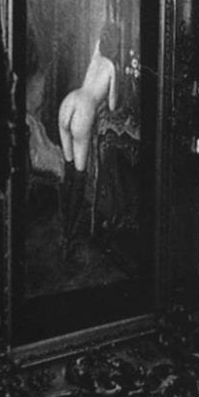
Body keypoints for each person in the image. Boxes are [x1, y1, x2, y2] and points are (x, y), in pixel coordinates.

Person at [58, 23, 120, 238]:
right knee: (79, 174)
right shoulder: (112, 67)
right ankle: (68, 234)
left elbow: (98, 44)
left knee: (68, 167)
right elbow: (112, 106)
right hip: (84, 111)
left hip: (69, 102)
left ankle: (63, 221)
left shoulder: (95, 58)